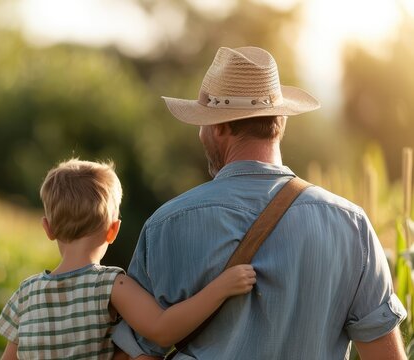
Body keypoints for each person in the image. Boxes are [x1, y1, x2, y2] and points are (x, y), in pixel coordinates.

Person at [112, 46, 407, 359]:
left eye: (203, 123)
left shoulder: (166, 225)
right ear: (281, 121)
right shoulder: (351, 225)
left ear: (220, 127)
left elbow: (133, 354)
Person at [0, 158, 257, 359]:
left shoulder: (26, 293)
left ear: (48, 229)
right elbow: (163, 328)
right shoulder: (108, 284)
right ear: (113, 230)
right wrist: (221, 287)